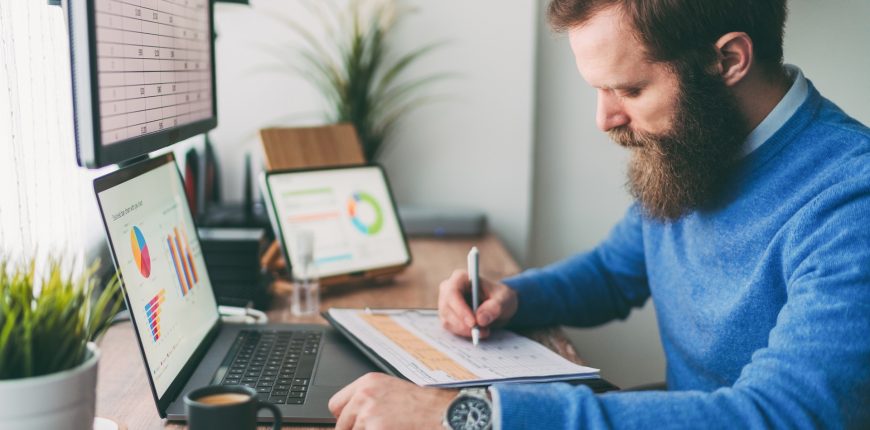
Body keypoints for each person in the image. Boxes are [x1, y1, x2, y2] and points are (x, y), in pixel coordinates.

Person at [327, 0, 870, 428]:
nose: (605, 118)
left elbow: (787, 416)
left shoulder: (851, 201)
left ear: (728, 60)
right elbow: (615, 271)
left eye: (628, 89)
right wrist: (515, 296)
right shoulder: (700, 147)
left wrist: (468, 416)